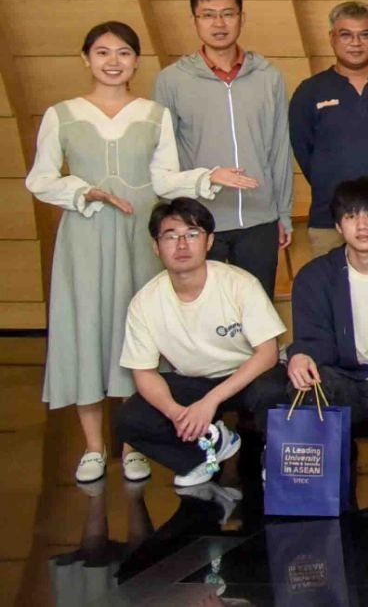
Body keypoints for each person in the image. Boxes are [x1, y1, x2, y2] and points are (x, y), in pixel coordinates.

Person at [30, 21, 240, 484]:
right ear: (86, 58)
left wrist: (208, 176)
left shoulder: (152, 114)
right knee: (87, 331)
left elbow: (164, 178)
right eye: (102, 53)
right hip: (85, 237)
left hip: (140, 238)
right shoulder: (61, 114)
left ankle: (133, 444)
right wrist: (85, 192)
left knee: (138, 336)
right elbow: (40, 179)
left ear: (136, 61)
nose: (113, 62)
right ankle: (93, 446)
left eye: (123, 53)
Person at [243, 177, 368, 478]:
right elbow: (313, 337)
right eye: (351, 216)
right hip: (346, 378)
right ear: (337, 226)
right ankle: (319, 457)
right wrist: (302, 354)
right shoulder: (316, 276)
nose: (362, 226)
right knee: (301, 384)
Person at [114, 199, 285, 486]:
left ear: (209, 242)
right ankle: (205, 452)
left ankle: (276, 458)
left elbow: (267, 353)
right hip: (193, 381)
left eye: (192, 234)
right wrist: (175, 413)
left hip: (246, 376)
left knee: (275, 390)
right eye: (171, 236)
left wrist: (210, 401)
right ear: (156, 246)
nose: (182, 245)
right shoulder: (145, 302)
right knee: (128, 419)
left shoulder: (239, 284)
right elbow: (143, 372)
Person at [152, 0, 292, 296]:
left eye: (228, 14)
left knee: (256, 311)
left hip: (259, 219)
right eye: (208, 15)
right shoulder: (171, 81)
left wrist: (283, 213)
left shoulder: (268, 77)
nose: (219, 24)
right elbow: (162, 157)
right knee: (201, 311)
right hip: (197, 221)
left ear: (242, 18)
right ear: (195, 20)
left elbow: (279, 150)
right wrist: (173, 220)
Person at [290, 1, 368, 258]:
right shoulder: (310, 92)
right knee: (332, 284)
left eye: (364, 35)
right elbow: (304, 151)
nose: (356, 43)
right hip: (330, 219)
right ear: (332, 38)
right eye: (346, 35)